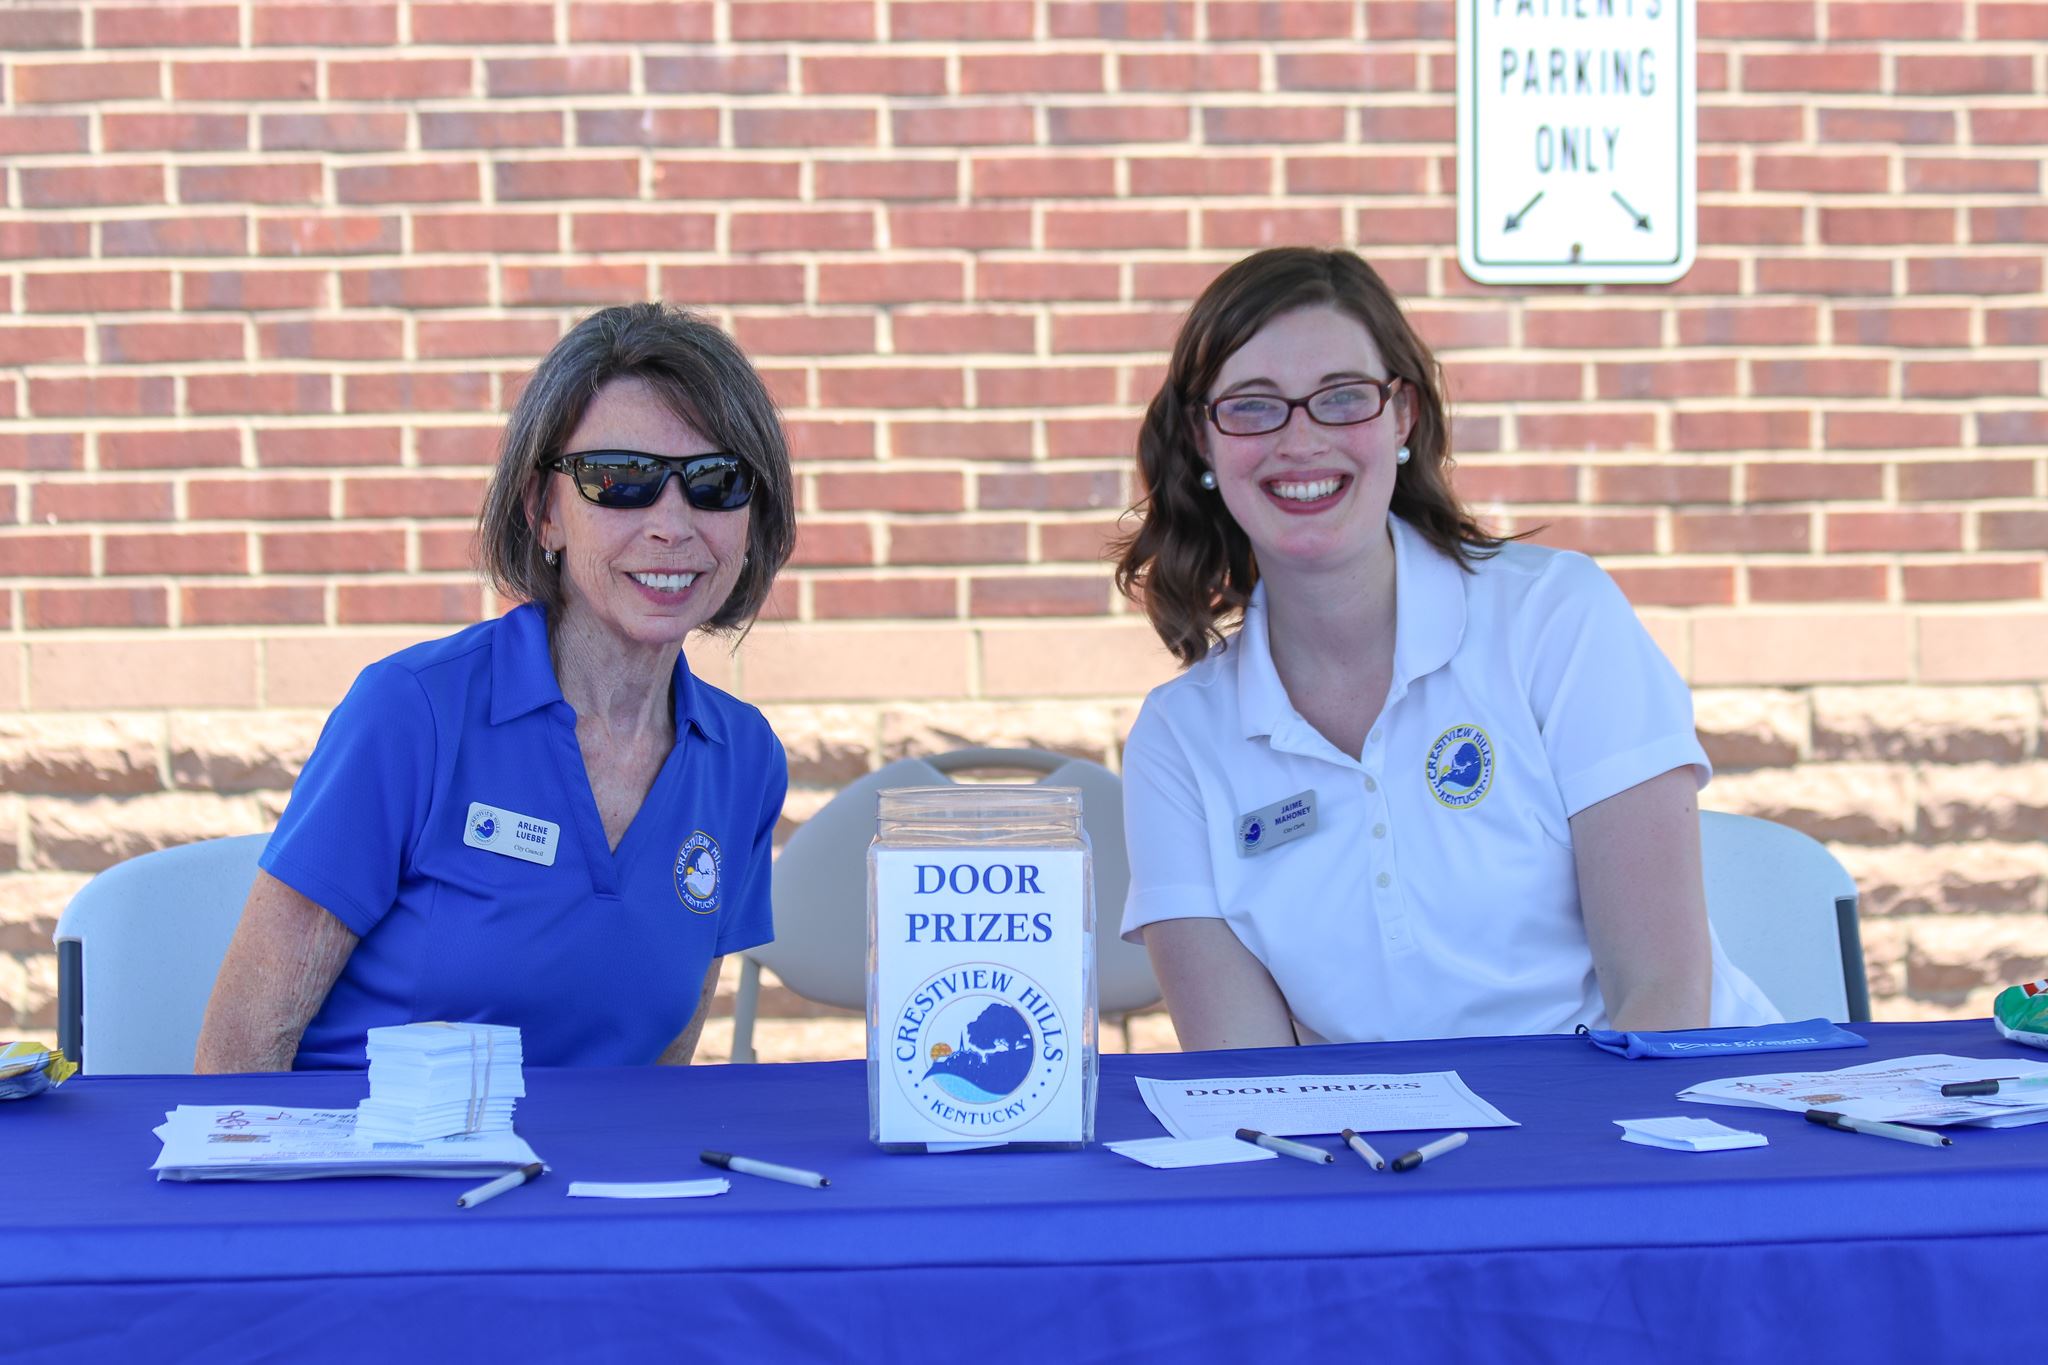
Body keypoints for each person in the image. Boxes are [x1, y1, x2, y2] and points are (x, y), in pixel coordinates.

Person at [1112, 247, 1779, 1051]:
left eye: (1343, 397)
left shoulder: (1555, 617)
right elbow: (1247, 1076)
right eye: (1253, 407)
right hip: (1395, 1132)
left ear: (1403, 416)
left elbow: (1660, 993)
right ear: (1202, 441)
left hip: (1659, 1106)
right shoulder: (1178, 742)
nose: (1301, 439)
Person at [196, 303, 795, 1070]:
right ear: (544, 511)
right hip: (368, 1147)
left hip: (586, 1156)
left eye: (716, 481)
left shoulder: (743, 758)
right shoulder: (412, 713)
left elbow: (660, 1065)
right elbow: (239, 1053)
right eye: (621, 479)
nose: (672, 524)